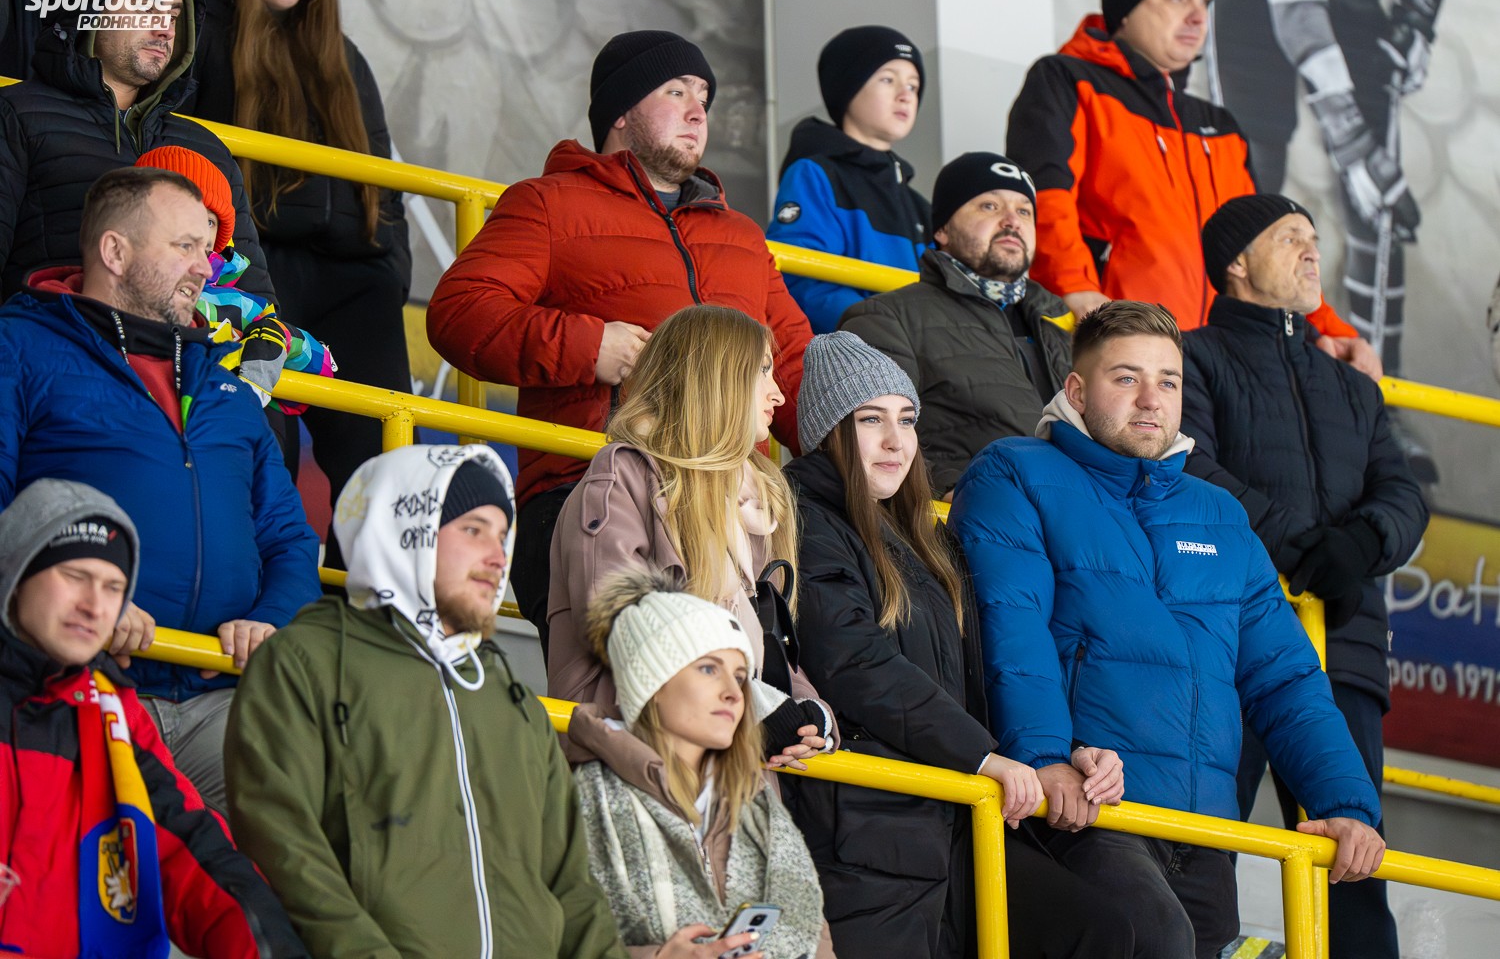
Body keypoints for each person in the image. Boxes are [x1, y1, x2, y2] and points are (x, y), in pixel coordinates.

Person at [950, 301, 1386, 958]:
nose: (1151, 399)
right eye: (1126, 378)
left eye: (1168, 381)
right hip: (1085, 809)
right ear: (1076, 391)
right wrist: (1044, 758)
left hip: (1206, 832)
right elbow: (1012, 627)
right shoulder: (1015, 471)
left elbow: (1286, 679)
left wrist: (1346, 805)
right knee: (1153, 939)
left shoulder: (1219, 514)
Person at [427, 29, 814, 639]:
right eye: (675, 91)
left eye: (704, 97)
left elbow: (794, 370)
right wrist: (589, 348)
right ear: (621, 113)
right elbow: (460, 311)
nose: (697, 111)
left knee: (751, 690)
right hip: (593, 487)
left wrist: (864, 447)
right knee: (630, 686)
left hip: (732, 504)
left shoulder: (741, 236)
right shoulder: (548, 203)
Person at [784, 331, 1133, 959]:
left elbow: (976, 678)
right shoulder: (806, 521)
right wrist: (982, 758)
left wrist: (1064, 749)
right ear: (828, 433)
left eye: (906, 420)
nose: (896, 441)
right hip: (869, 826)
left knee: (1099, 929)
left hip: (952, 816)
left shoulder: (925, 539)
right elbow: (854, 663)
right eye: (870, 420)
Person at [223, 443, 628, 959]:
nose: (497, 557)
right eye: (473, 530)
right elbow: (286, 852)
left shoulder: (510, 699)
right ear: (405, 529)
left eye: (502, 535)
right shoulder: (303, 665)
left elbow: (573, 889)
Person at [0, 167, 321, 815]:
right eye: (185, 246)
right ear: (115, 253)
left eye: (207, 248)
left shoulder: (225, 383)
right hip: (73, 685)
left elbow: (289, 539)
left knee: (328, 806)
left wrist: (271, 618)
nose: (206, 267)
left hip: (219, 698)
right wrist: (88, 601)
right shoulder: (20, 345)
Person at [1183, 194, 1428, 959]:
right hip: (1223, 645)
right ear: (1235, 263)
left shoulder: (1353, 385)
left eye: (1314, 238)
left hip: (1341, 652)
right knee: (1200, 857)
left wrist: (1361, 544)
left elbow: (1404, 493)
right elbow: (1192, 468)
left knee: (1353, 865)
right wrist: (1307, 550)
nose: (1311, 250)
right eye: (1290, 237)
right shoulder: (1191, 358)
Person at [1005, 0, 1378, 382]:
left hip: (1218, 370)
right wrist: (1074, 288)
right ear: (1126, 9)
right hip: (1119, 357)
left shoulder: (1220, 124)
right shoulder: (1066, 80)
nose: (1199, 16)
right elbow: (1043, 198)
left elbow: (1266, 248)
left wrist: (1327, 327)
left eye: (1205, 0)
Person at [0, 478, 306, 958]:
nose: (94, 606)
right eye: (75, 576)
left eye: (114, 587)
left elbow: (189, 848)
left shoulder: (110, 708)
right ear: (16, 574)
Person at [548, 305, 834, 765]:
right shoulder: (623, 476)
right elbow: (619, 622)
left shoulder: (755, 499)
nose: (779, 395)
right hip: (634, 760)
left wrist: (809, 713)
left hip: (730, 766)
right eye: (762, 370)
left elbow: (770, 643)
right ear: (715, 378)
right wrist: (753, 705)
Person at [186, 0, 411, 511]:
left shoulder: (343, 55)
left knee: (388, 468)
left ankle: (370, 575)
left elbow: (386, 190)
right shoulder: (199, 30)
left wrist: (389, 275)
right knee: (264, 457)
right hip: (255, 273)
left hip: (354, 282)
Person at [569, 568, 836, 959]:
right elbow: (547, 936)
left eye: (741, 676)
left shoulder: (754, 800)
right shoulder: (582, 796)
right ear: (653, 683)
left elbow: (814, 936)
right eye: (709, 669)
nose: (734, 693)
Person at [1210, 0, 1444, 379]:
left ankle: (1379, 387)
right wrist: (1353, 140)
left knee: (1377, 207)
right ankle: (1247, 370)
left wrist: (1420, 5)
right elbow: (1296, 4)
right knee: (1254, 200)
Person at [0, 0, 273, 299]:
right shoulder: (15, 116)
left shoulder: (209, 149)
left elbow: (256, 302)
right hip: (55, 328)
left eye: (173, 15)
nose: (165, 29)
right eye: (145, 7)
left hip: (186, 334)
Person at [841, 153, 1072, 499]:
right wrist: (955, 490)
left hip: (1078, 512)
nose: (1012, 221)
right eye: (990, 206)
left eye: (1025, 211)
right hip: (979, 515)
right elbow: (872, 445)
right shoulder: (886, 317)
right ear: (942, 230)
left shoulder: (1060, 327)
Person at [135, 143, 336, 423]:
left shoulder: (238, 305)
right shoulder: (114, 285)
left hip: (213, 430)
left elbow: (321, 374)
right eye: (180, 211)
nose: (196, 228)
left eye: (208, 220)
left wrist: (278, 339)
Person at [766, 25, 928, 333]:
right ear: (848, 87)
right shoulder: (815, 174)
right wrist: (883, 332)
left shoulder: (919, 205)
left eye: (913, 85)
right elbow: (804, 280)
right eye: (888, 79)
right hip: (861, 350)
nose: (905, 95)